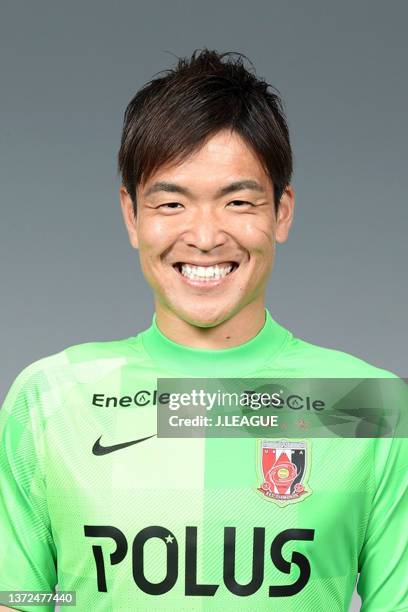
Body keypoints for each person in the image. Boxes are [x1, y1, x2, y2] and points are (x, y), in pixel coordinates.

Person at [0, 48, 406, 612]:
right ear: (131, 215)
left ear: (281, 212)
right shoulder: (51, 398)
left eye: (238, 201)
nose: (206, 235)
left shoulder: (368, 405)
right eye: (170, 203)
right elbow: (18, 598)